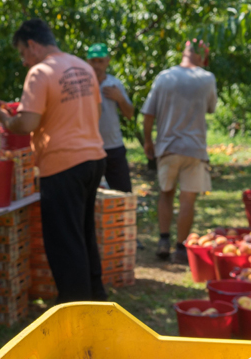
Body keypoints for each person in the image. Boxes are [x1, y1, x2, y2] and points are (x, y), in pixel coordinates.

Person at [0, 19, 108, 303]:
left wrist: (5, 119)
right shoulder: (82, 66)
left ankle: (74, 305)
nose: (23, 61)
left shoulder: (40, 73)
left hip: (62, 164)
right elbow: (97, 112)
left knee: (65, 241)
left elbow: (27, 123)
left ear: (33, 45)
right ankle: (96, 297)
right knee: (83, 233)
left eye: (23, 53)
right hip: (93, 158)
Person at [141, 39, 217, 265]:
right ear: (202, 56)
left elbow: (148, 113)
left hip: (168, 146)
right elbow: (211, 108)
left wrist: (148, 141)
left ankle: (163, 240)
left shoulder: (164, 77)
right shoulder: (207, 78)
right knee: (188, 199)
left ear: (184, 52)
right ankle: (181, 248)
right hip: (194, 148)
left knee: (166, 193)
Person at [87, 43, 134, 192]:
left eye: (100, 61)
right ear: (87, 62)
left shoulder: (114, 84)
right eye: (93, 61)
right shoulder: (82, 85)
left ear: (107, 61)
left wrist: (120, 98)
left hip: (113, 147)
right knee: (89, 194)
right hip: (89, 148)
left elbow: (130, 114)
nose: (97, 65)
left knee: (123, 193)